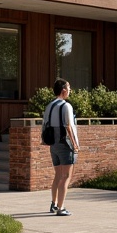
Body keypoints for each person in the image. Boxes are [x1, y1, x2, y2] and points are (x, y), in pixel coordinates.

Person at [43, 79, 79, 215]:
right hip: (65, 144)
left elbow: (45, 125)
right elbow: (68, 126)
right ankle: (61, 207)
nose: (70, 91)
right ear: (63, 90)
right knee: (66, 176)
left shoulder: (50, 106)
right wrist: (75, 144)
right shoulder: (66, 106)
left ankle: (54, 204)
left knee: (58, 175)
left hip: (53, 145)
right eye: (69, 88)